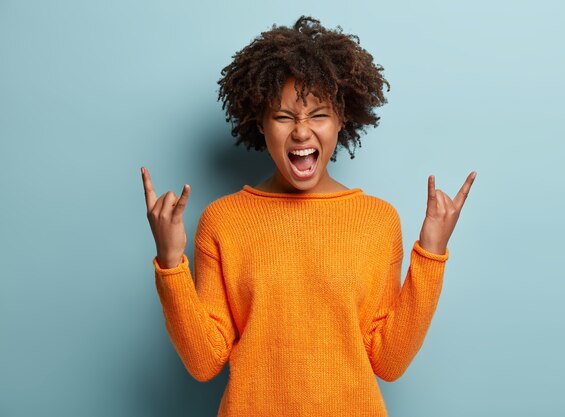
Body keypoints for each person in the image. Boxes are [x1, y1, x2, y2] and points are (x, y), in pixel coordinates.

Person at [141, 15, 476, 417]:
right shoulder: (223, 221)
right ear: (260, 124)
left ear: (341, 121)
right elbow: (204, 362)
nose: (301, 132)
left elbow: (388, 361)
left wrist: (433, 253)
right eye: (283, 117)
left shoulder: (377, 220)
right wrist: (170, 262)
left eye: (318, 114)